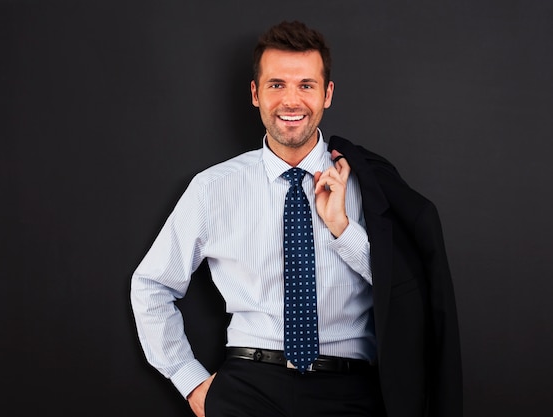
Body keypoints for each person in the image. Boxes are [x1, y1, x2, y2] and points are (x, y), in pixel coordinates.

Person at [131, 20, 462, 417]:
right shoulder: (212, 188)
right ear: (255, 93)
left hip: (350, 392)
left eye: (306, 85)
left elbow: (409, 295)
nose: (291, 101)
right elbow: (151, 285)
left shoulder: (367, 186)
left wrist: (343, 229)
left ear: (327, 94)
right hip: (248, 388)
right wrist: (191, 382)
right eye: (276, 85)